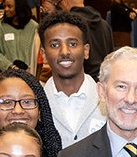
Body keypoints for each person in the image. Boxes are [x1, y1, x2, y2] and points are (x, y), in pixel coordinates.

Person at [39, 11, 105, 147]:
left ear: (86, 51)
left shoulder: (108, 98)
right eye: (55, 45)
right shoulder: (35, 104)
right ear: (44, 55)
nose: (64, 52)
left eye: (73, 44)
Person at [0, 0, 39, 72]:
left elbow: (39, 52)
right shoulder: (0, 26)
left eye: (9, 6)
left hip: (30, 74)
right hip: (8, 74)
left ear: (19, 8)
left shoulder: (34, 27)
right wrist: (10, 67)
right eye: (5, 6)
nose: (6, 9)